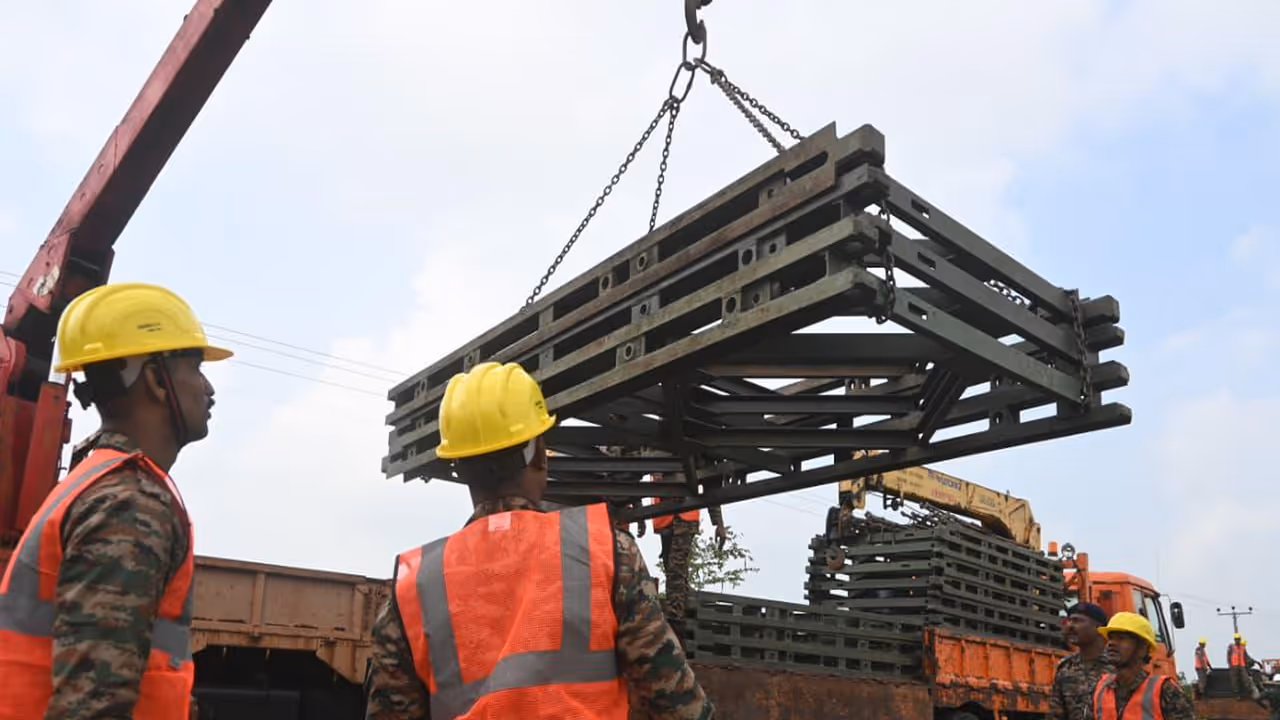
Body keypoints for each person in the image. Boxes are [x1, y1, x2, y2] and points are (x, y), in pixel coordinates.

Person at [363, 361, 715, 719]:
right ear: (540, 457)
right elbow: (680, 707)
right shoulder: (606, 552)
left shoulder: (414, 589)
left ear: (458, 465)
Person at [0, 282, 229, 719]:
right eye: (196, 367)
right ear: (155, 380)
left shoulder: (94, 480)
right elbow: (92, 705)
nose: (208, 388)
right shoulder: (129, 502)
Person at [646, 471, 726, 644]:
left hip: (684, 517)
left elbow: (711, 487)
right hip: (665, 518)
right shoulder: (656, 453)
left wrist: (718, 523)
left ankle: (675, 626)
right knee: (673, 571)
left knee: (676, 570)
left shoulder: (693, 457)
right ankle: (679, 619)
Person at [1091, 612, 1196, 720]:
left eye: (1121, 638)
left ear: (1142, 648)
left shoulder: (1165, 690)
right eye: (1111, 638)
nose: (1111, 643)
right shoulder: (1100, 688)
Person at [1050, 602, 1115, 720]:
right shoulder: (1065, 668)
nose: (1070, 626)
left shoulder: (1116, 667)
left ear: (1098, 628)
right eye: (1069, 621)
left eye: (1077, 621)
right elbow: (1056, 714)